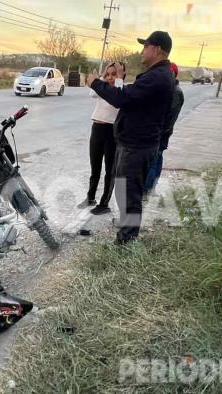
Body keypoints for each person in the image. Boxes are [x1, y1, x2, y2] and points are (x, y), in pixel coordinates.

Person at [87, 31, 175, 244]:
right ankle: (126, 235)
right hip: (134, 143)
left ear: (158, 50)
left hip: (138, 146)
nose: (142, 50)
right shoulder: (157, 75)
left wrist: (96, 83)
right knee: (125, 192)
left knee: (130, 196)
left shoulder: (158, 77)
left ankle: (125, 243)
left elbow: (122, 98)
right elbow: (130, 97)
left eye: (146, 46)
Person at [77, 62, 125, 215]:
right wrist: (102, 78)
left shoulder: (121, 90)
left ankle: (104, 204)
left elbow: (118, 95)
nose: (110, 77)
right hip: (97, 129)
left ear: (121, 75)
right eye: (108, 74)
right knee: (95, 167)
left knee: (110, 170)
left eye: (114, 74)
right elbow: (92, 93)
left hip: (111, 132)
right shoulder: (103, 89)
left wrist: (119, 77)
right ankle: (90, 197)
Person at [144, 62, 185, 196]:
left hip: (161, 132)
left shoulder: (175, 92)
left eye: (169, 72)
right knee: (157, 159)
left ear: (173, 73)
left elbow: (169, 117)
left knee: (154, 160)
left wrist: (159, 131)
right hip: (161, 131)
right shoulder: (171, 89)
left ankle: (147, 189)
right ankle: (151, 188)